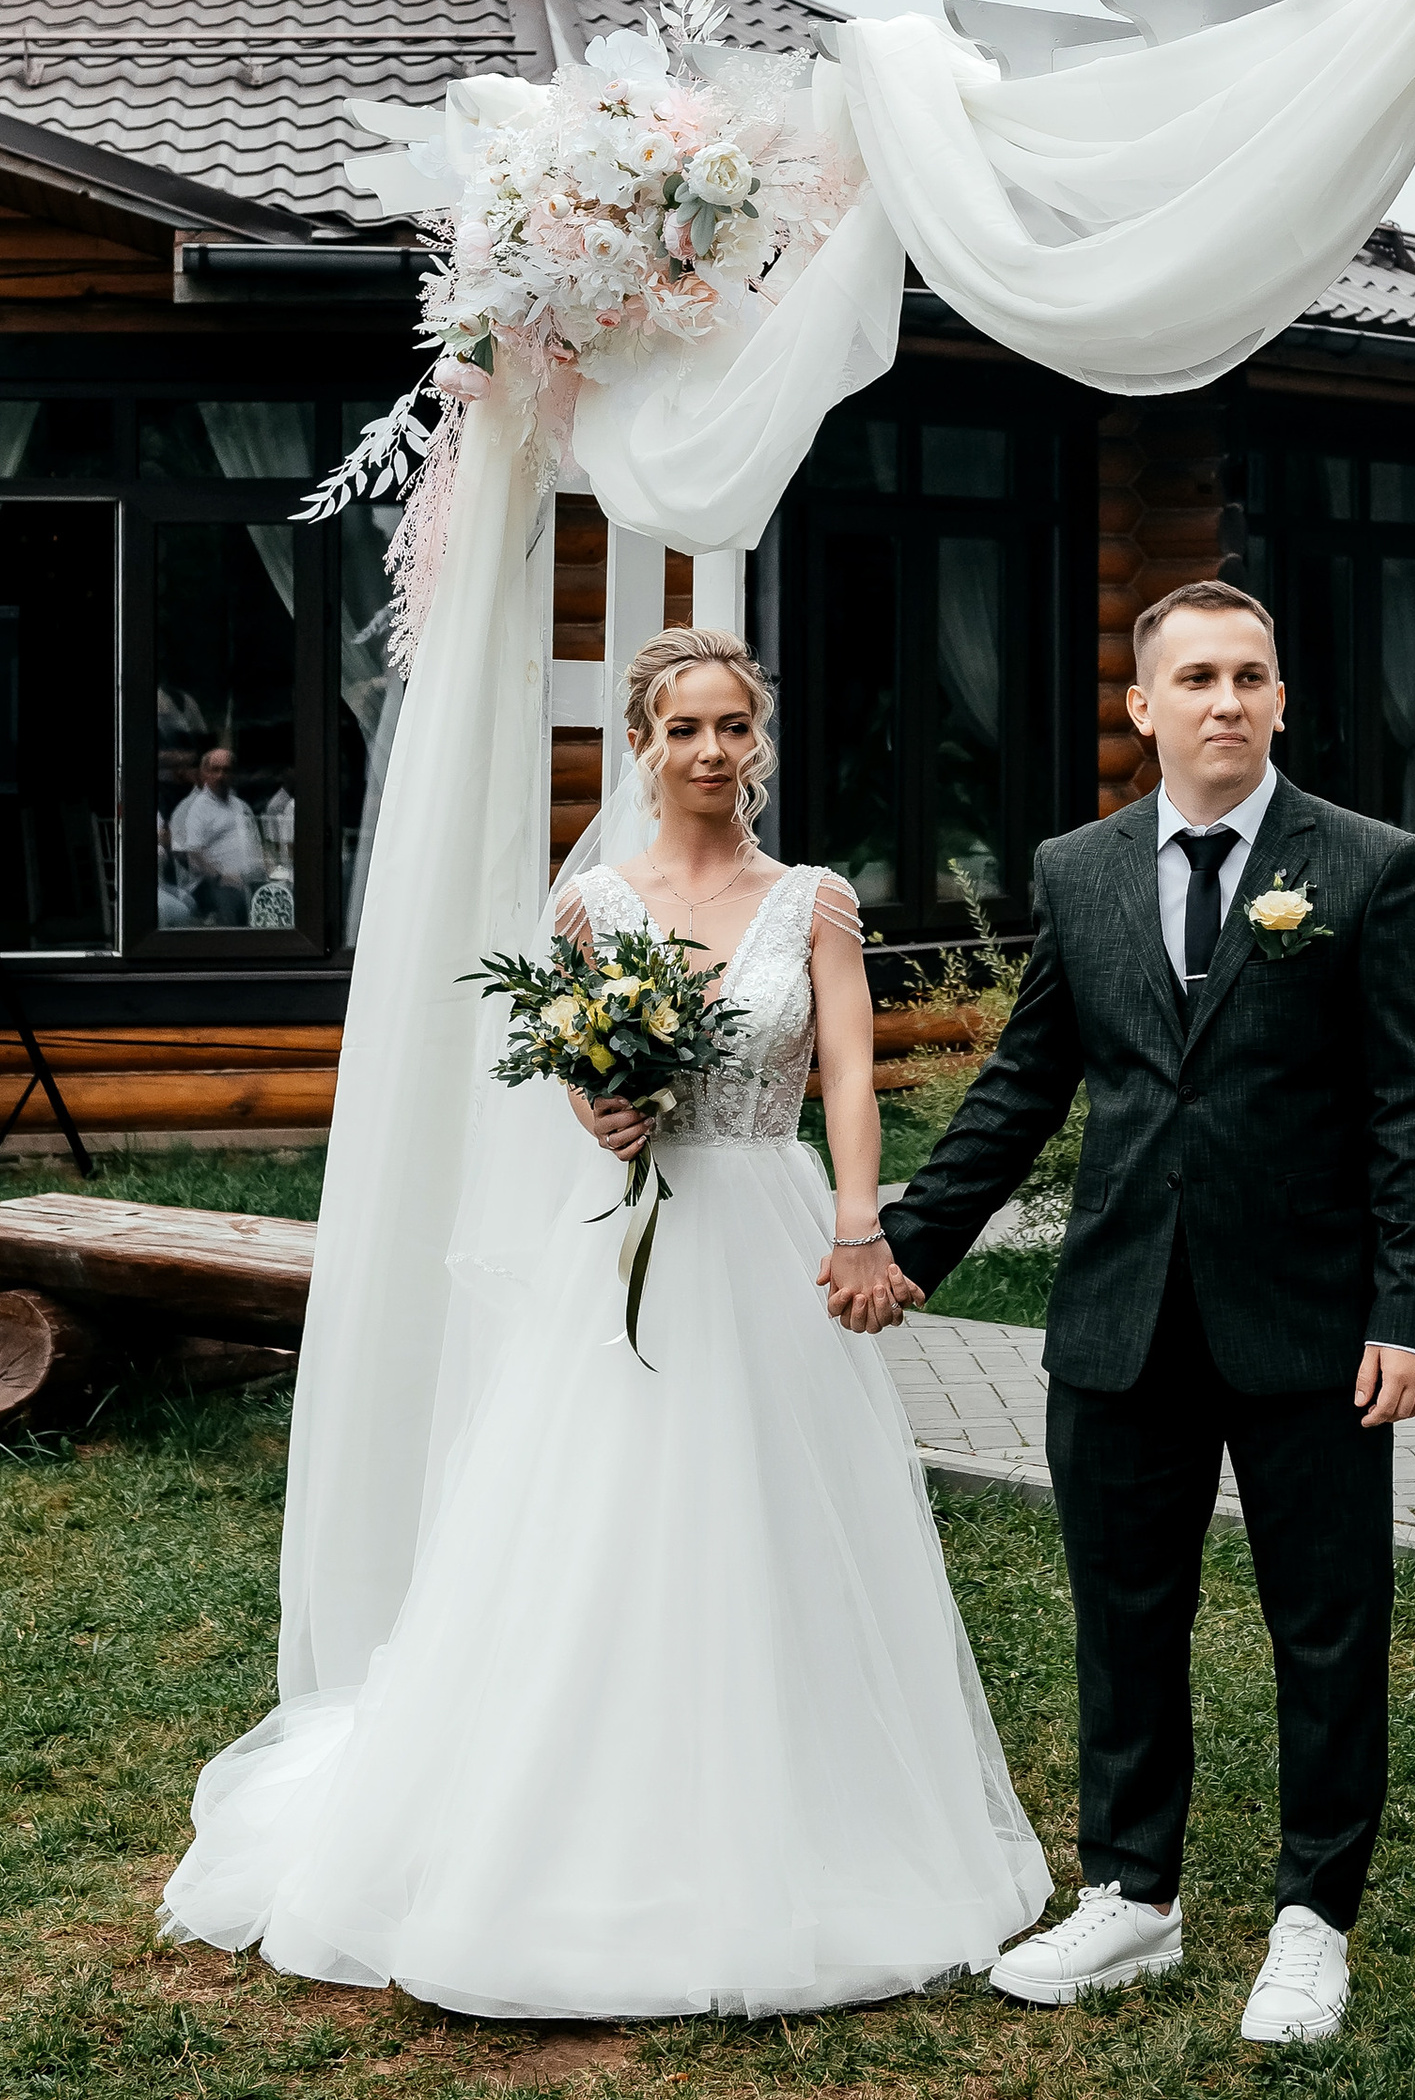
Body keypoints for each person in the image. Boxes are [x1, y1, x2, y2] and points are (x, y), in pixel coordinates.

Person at [160, 627, 1048, 2019]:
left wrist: (862, 1226)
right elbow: (570, 1083)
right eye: (682, 727)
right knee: (602, 1512)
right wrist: (602, 1107)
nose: (709, 751)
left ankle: (796, 1813)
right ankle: (575, 1816)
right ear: (640, 745)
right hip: (629, 1247)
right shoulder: (594, 915)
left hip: (769, 1231)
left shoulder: (812, 901)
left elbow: (852, 1080)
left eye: (732, 727)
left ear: (759, 742)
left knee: (776, 1514)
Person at [847, 581, 1415, 2044]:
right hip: (1121, 1316)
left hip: (1312, 1323)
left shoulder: (1370, 867)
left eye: (1252, 675)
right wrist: (905, 1248)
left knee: (1327, 1626)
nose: (1227, 702)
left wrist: (1412, 1309)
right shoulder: (1080, 870)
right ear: (1143, 706)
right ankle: (1133, 1893)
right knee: (1127, 1617)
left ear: (1284, 700)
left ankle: (1314, 1920)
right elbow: (1023, 1084)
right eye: (1196, 678)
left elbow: (1407, 1108)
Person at [169, 743, 264, 922]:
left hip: (249, 879)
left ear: (234, 774)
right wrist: (221, 877)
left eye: (227, 770)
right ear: (204, 773)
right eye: (215, 770)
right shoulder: (193, 808)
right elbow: (189, 853)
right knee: (232, 899)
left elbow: (255, 844)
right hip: (213, 883)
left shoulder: (241, 806)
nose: (221, 776)